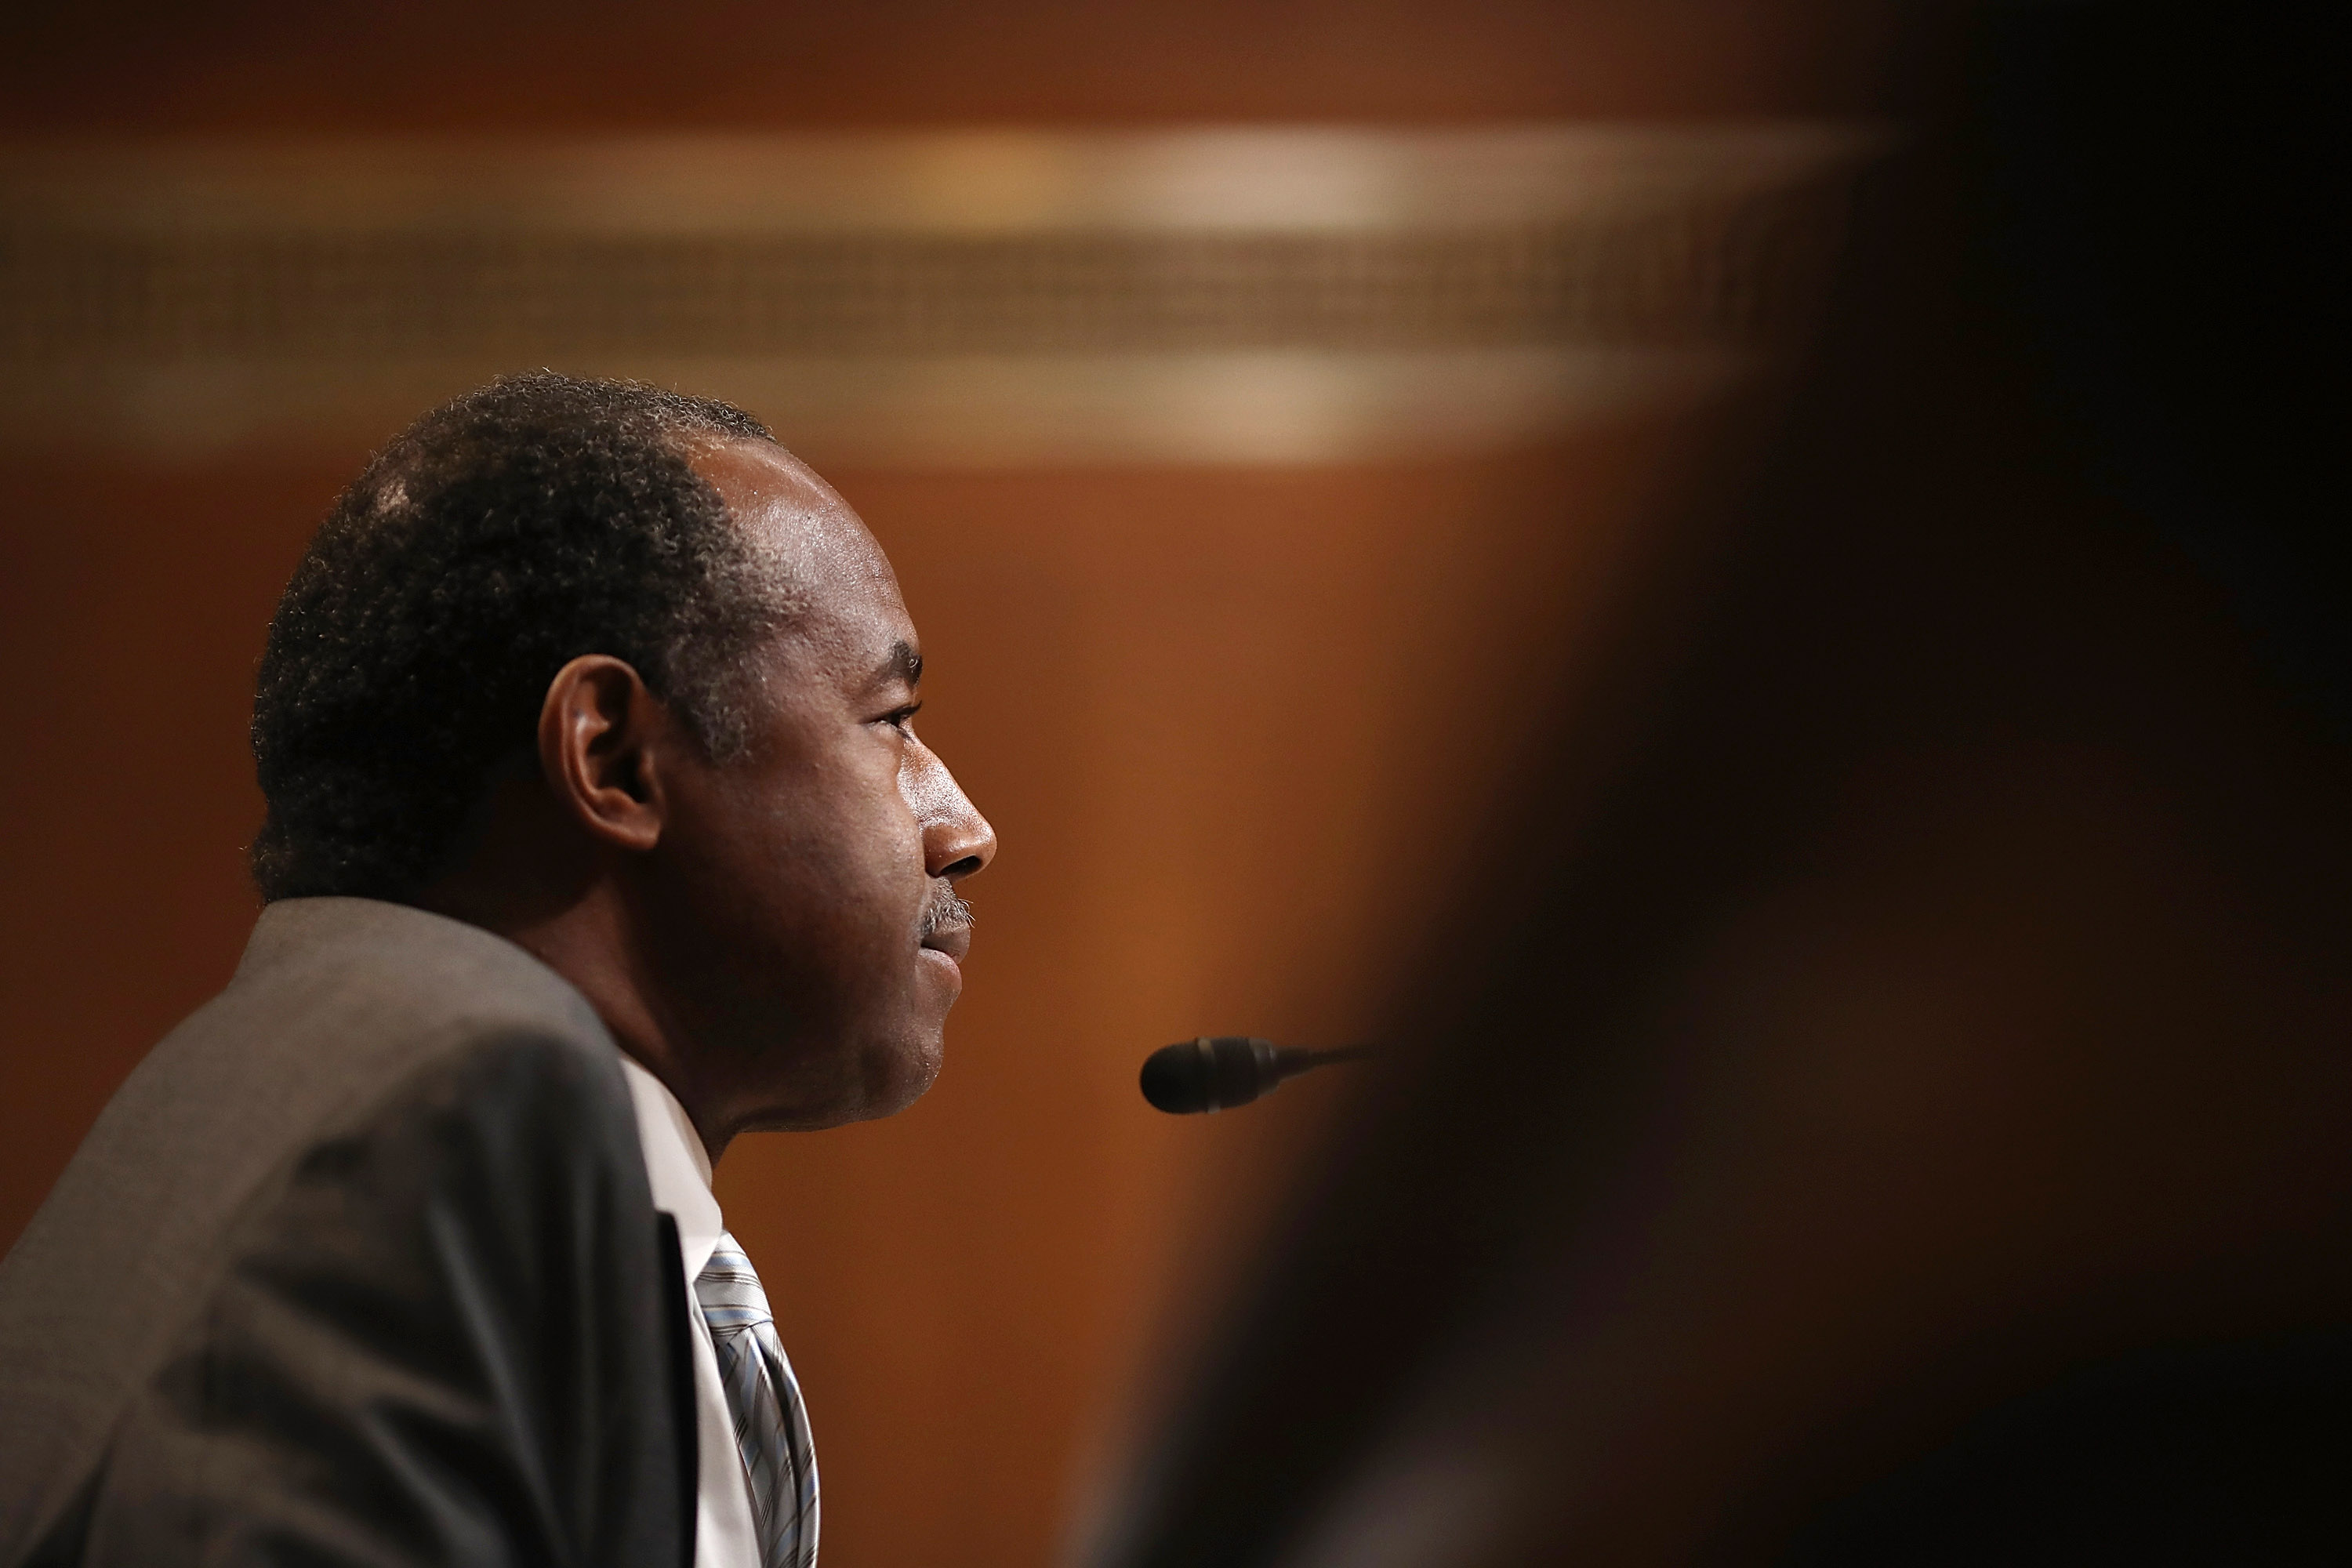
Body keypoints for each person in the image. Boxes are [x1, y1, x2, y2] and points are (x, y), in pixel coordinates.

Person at [0, 374, 996, 1568]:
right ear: (614, 758)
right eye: (892, 718)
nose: (965, 826)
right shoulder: (459, 1116)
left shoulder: (273, 1092)